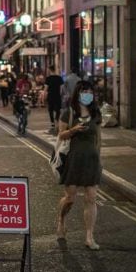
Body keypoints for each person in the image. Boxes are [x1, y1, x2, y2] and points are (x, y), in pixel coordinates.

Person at [55, 80, 102, 250]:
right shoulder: (68, 113)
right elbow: (61, 135)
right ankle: (61, 221)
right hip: (73, 160)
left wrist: (99, 158)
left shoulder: (96, 113)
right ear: (78, 93)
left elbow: (98, 138)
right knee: (70, 198)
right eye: (84, 91)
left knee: (91, 198)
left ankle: (89, 236)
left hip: (91, 160)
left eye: (90, 91)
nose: (88, 94)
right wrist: (74, 130)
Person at [45, 67, 65, 133]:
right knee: (58, 110)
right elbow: (62, 88)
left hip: (50, 96)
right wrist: (61, 95)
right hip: (57, 96)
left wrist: (44, 95)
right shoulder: (59, 78)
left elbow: (46, 89)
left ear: (50, 70)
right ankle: (56, 120)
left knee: (50, 110)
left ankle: (52, 124)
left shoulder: (48, 78)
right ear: (55, 70)